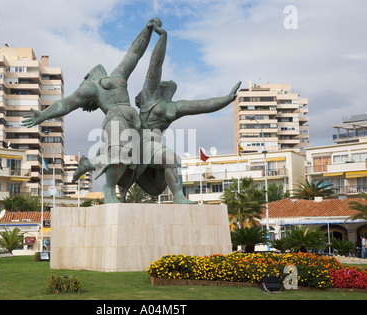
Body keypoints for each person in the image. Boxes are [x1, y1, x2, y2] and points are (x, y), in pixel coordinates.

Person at [74, 25, 240, 203]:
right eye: (165, 83)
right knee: (120, 157)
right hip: (137, 138)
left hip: (150, 146)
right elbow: (156, 64)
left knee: (172, 159)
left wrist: (226, 99)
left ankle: (178, 197)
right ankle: (97, 173)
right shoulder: (150, 96)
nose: (169, 84)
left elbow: (201, 105)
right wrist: (162, 38)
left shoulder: (174, 108)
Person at [22, 18, 162, 203]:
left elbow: (134, 53)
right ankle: (109, 189)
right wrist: (44, 115)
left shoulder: (118, 75)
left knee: (138, 158)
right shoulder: (91, 88)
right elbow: (67, 103)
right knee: (119, 153)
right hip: (116, 119)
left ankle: (91, 165)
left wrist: (147, 29)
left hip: (133, 122)